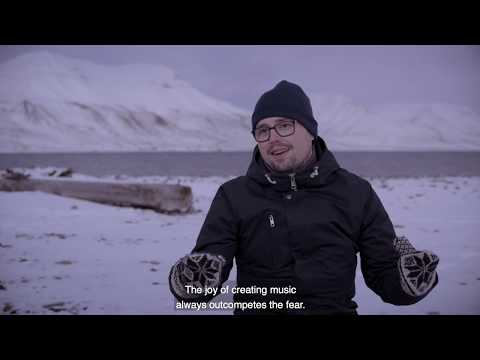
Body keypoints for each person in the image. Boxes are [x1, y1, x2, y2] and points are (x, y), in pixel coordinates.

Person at [169, 80, 439, 315]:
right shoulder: (234, 195)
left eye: (284, 125)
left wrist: (408, 280)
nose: (272, 137)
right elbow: (208, 266)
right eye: (263, 130)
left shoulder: (356, 193)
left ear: (310, 131)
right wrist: (191, 282)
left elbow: (384, 274)